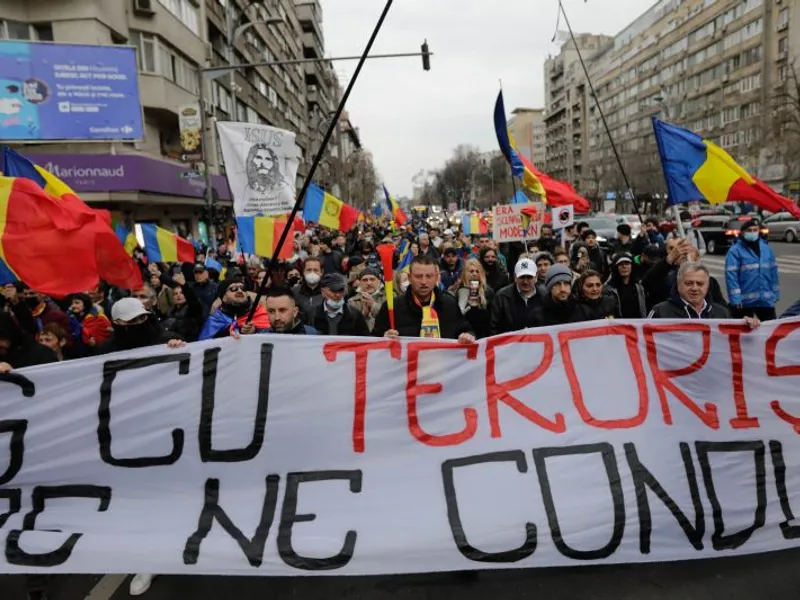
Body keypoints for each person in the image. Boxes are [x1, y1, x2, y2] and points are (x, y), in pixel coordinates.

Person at [373, 256, 474, 342]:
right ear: (409, 278)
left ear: (436, 278)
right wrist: (384, 338)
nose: (424, 281)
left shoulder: (449, 303)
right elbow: (373, 339)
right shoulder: (393, 306)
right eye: (418, 276)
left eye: (429, 276)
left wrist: (466, 336)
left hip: (442, 363)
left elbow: (465, 330)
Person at [649, 262, 761, 326]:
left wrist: (746, 328)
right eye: (688, 283)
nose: (694, 288)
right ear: (678, 284)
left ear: (707, 286)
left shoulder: (721, 313)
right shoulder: (660, 312)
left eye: (700, 284)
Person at [725, 219, 779, 321]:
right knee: (744, 335)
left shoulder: (766, 249)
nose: (753, 233)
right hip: (744, 304)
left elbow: (773, 272)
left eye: (755, 230)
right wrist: (736, 299)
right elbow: (731, 276)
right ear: (743, 232)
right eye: (749, 230)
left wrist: (775, 294)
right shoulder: (735, 251)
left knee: (769, 333)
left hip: (765, 302)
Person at [94, 298, 184, 356]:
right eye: (132, 320)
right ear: (116, 323)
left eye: (142, 317)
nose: (139, 322)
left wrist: (179, 348)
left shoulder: (167, 340)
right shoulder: (106, 351)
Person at [199, 279, 271, 340]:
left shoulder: (261, 312)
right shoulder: (215, 320)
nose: (240, 291)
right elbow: (203, 345)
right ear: (224, 297)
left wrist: (255, 331)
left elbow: (273, 334)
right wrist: (226, 333)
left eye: (243, 288)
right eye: (233, 289)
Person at [490, 257, 545, 335]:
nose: (525, 281)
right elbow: (494, 328)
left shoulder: (544, 296)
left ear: (536, 277)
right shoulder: (501, 297)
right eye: (522, 277)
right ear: (515, 277)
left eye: (529, 277)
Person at [455, 258, 494, 339]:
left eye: (477, 271)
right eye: (471, 271)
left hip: (483, 338)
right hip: (463, 338)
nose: (474, 274)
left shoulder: (487, 292)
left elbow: (492, 319)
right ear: (465, 273)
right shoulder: (458, 291)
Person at [161, 272, 205, 342]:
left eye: (181, 293)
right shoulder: (170, 312)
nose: (178, 295)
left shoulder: (192, 309)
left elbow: (193, 301)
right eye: (175, 294)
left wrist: (184, 285)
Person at [66, 292, 113, 357]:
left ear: (85, 304)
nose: (73, 306)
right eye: (72, 303)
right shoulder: (72, 317)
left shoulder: (97, 318)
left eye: (77, 303)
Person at [605, 253, 647, 318]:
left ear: (632, 266)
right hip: (618, 325)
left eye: (627, 264)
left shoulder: (639, 286)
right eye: (620, 264)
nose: (624, 267)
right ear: (616, 268)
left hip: (637, 324)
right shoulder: (609, 288)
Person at [348, 267, 385, 332]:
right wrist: (364, 314)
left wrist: (373, 305)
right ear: (360, 283)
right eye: (365, 280)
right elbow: (351, 324)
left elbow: (390, 317)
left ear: (379, 281)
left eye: (372, 279)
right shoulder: (352, 301)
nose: (369, 283)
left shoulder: (388, 297)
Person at [293, 257, 324, 324]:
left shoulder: (328, 293)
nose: (312, 273)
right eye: (309, 270)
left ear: (321, 272)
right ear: (303, 272)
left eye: (316, 270)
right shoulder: (294, 292)